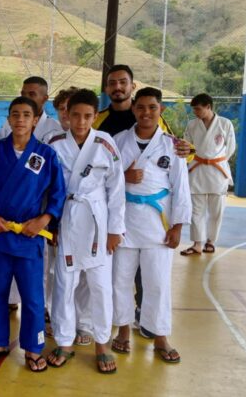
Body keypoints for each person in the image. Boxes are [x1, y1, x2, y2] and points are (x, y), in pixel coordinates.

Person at [94, 64, 191, 339]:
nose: (146, 113)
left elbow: (181, 185)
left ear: (160, 110)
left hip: (157, 221)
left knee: (156, 281)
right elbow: (103, 174)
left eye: (152, 108)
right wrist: (123, 177)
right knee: (119, 279)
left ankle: (159, 334)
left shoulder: (169, 142)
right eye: (141, 108)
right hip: (123, 218)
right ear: (134, 109)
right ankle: (123, 330)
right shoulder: (114, 136)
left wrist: (178, 226)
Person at [0, 97, 66, 373]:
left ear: (36, 119)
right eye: (15, 114)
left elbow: (58, 193)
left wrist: (44, 220)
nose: (20, 119)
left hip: (29, 235)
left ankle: (33, 347)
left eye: (26, 115)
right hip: (1, 232)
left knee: (33, 297)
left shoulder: (46, 154)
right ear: (8, 118)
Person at [47, 89, 125, 373]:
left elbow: (116, 189)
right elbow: (46, 188)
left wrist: (115, 229)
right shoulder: (54, 143)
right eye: (75, 115)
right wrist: (51, 224)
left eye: (87, 116)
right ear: (66, 114)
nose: (80, 122)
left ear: (95, 116)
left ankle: (102, 343)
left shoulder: (105, 143)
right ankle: (65, 341)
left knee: (101, 286)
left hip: (97, 221)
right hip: (66, 217)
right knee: (63, 284)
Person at [181, 94, 236, 256]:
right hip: (197, 170)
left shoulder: (225, 124)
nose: (195, 112)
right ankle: (197, 244)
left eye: (198, 109)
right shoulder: (192, 125)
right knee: (196, 211)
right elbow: (187, 146)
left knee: (216, 211)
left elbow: (230, 148)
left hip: (217, 171)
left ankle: (211, 241)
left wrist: (216, 160)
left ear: (208, 107)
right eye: (194, 109)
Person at [0, 76, 62, 140]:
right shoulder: (10, 124)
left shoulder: (56, 128)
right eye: (23, 94)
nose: (25, 98)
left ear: (44, 99)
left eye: (31, 94)